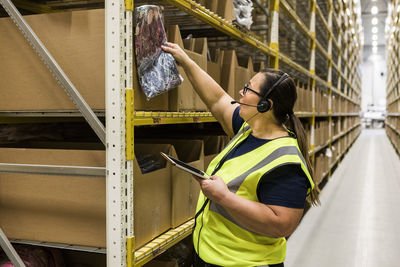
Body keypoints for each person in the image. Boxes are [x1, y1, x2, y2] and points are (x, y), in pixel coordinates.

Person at [162, 42, 320, 267]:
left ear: (266, 105)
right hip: (214, 256)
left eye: (248, 90)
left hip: (245, 262)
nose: (240, 93)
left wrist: (223, 197)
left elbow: (282, 225)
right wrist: (185, 61)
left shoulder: (286, 163)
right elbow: (217, 99)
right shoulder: (249, 129)